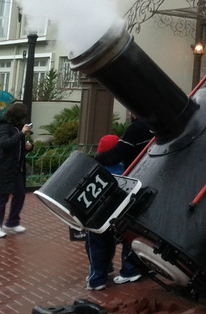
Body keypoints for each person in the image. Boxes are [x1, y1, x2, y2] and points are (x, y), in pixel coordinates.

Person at [87, 113, 153, 288]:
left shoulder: (136, 129)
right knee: (134, 230)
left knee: (103, 236)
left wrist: (93, 161)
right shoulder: (158, 127)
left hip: (132, 183)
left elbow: (118, 152)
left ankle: (100, 276)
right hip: (148, 184)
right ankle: (133, 268)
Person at [0, 101, 33, 238]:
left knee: (20, 194)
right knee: (1, 197)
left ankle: (12, 222)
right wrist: (21, 134)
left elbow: (17, 147)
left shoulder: (18, 128)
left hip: (17, 169)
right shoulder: (3, 127)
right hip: (3, 168)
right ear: (18, 115)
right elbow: (5, 144)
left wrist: (28, 147)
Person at [85, 134, 124, 290]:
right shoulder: (124, 168)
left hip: (97, 215)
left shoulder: (94, 168)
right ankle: (107, 266)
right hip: (117, 214)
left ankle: (97, 279)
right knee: (110, 242)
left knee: (95, 245)